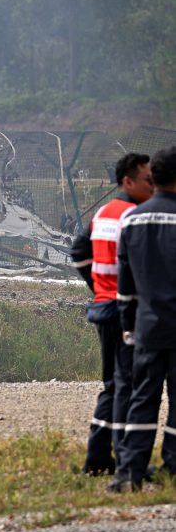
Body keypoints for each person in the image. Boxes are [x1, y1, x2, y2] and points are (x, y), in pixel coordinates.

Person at [70, 153, 153, 476]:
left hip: (104, 307)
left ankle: (98, 457)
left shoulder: (105, 212)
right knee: (126, 386)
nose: (153, 186)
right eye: (148, 180)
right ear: (127, 181)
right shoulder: (133, 215)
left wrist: (98, 287)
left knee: (112, 385)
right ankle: (123, 459)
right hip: (124, 310)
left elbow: (79, 251)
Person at [109, 147, 176, 492]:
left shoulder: (132, 220)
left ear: (154, 179)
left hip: (148, 327)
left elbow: (126, 286)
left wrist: (129, 328)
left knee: (142, 398)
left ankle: (129, 473)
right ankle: (173, 467)